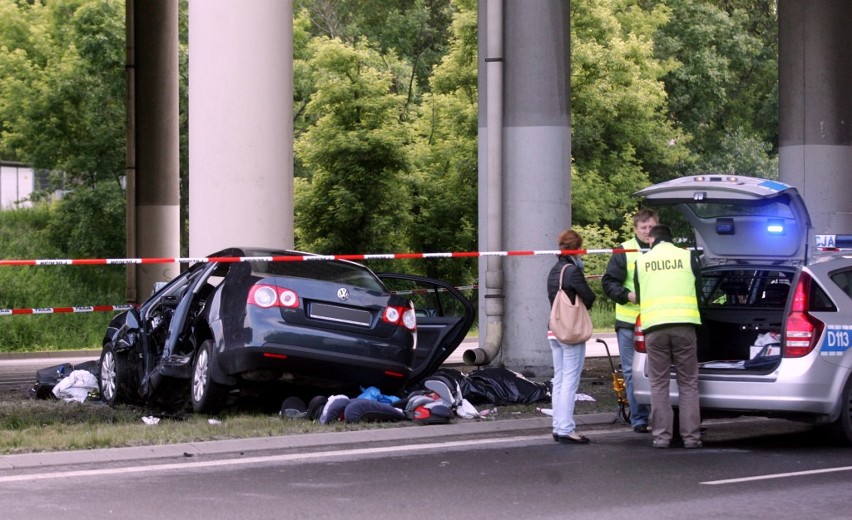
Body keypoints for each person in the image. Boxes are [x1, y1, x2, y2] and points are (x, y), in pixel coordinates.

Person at [634, 224, 703, 449]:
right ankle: (691, 438)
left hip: (655, 328)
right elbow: (700, 290)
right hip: (684, 326)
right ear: (672, 239)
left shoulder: (642, 262)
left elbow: (640, 293)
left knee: (659, 384)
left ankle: (662, 437)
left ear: (651, 240)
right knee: (688, 383)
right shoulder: (687, 257)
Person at [601, 208, 658, 433]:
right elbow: (609, 283)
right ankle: (639, 419)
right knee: (631, 372)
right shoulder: (624, 250)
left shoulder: (663, 250)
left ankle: (663, 418)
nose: (647, 231)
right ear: (635, 229)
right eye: (643, 228)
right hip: (629, 321)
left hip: (657, 319)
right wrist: (628, 296)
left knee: (659, 371)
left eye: (651, 227)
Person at [547, 228, 597, 444]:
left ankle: (558, 426)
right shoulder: (572, 271)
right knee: (570, 380)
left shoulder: (554, 270)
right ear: (577, 249)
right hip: (570, 332)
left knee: (559, 379)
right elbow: (589, 296)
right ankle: (567, 428)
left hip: (553, 330)